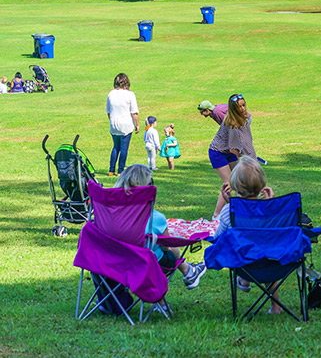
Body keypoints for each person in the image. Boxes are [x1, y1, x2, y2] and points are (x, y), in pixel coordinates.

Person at [114, 165, 207, 290]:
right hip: (144, 264)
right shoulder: (155, 218)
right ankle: (188, 271)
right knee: (167, 247)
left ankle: (189, 271)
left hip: (111, 262)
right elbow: (167, 246)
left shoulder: (107, 213)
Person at [213, 157, 282, 312]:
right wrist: (271, 204)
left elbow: (218, 238)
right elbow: (280, 233)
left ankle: (244, 279)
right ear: (262, 185)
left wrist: (230, 204)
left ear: (235, 186)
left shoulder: (229, 211)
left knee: (245, 248)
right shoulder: (271, 210)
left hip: (244, 263)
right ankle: (276, 306)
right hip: (273, 262)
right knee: (263, 250)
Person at [208, 94, 256, 219]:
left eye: (244, 105)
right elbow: (233, 149)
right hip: (218, 152)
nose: (243, 109)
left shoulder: (244, 119)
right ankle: (216, 215)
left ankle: (242, 210)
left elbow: (246, 140)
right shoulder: (231, 124)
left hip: (228, 152)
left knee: (239, 181)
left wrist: (250, 154)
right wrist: (246, 156)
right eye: (240, 107)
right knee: (229, 183)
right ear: (234, 110)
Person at [106, 73, 139, 177]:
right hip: (126, 125)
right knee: (124, 148)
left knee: (116, 147)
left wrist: (111, 121)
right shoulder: (130, 94)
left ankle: (111, 170)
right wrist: (137, 125)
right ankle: (120, 170)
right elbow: (135, 112)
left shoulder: (111, 94)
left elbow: (108, 111)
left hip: (114, 124)